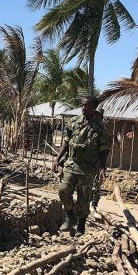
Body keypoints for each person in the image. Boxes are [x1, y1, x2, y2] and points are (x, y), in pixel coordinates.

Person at [52, 96, 110, 236]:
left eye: (87, 106)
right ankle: (70, 215)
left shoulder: (100, 128)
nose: (83, 108)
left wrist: (102, 168)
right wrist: (57, 159)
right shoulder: (73, 122)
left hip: (88, 167)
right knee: (63, 189)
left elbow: (103, 150)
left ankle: (81, 225)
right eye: (82, 105)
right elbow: (66, 142)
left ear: (94, 107)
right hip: (72, 163)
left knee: (84, 197)